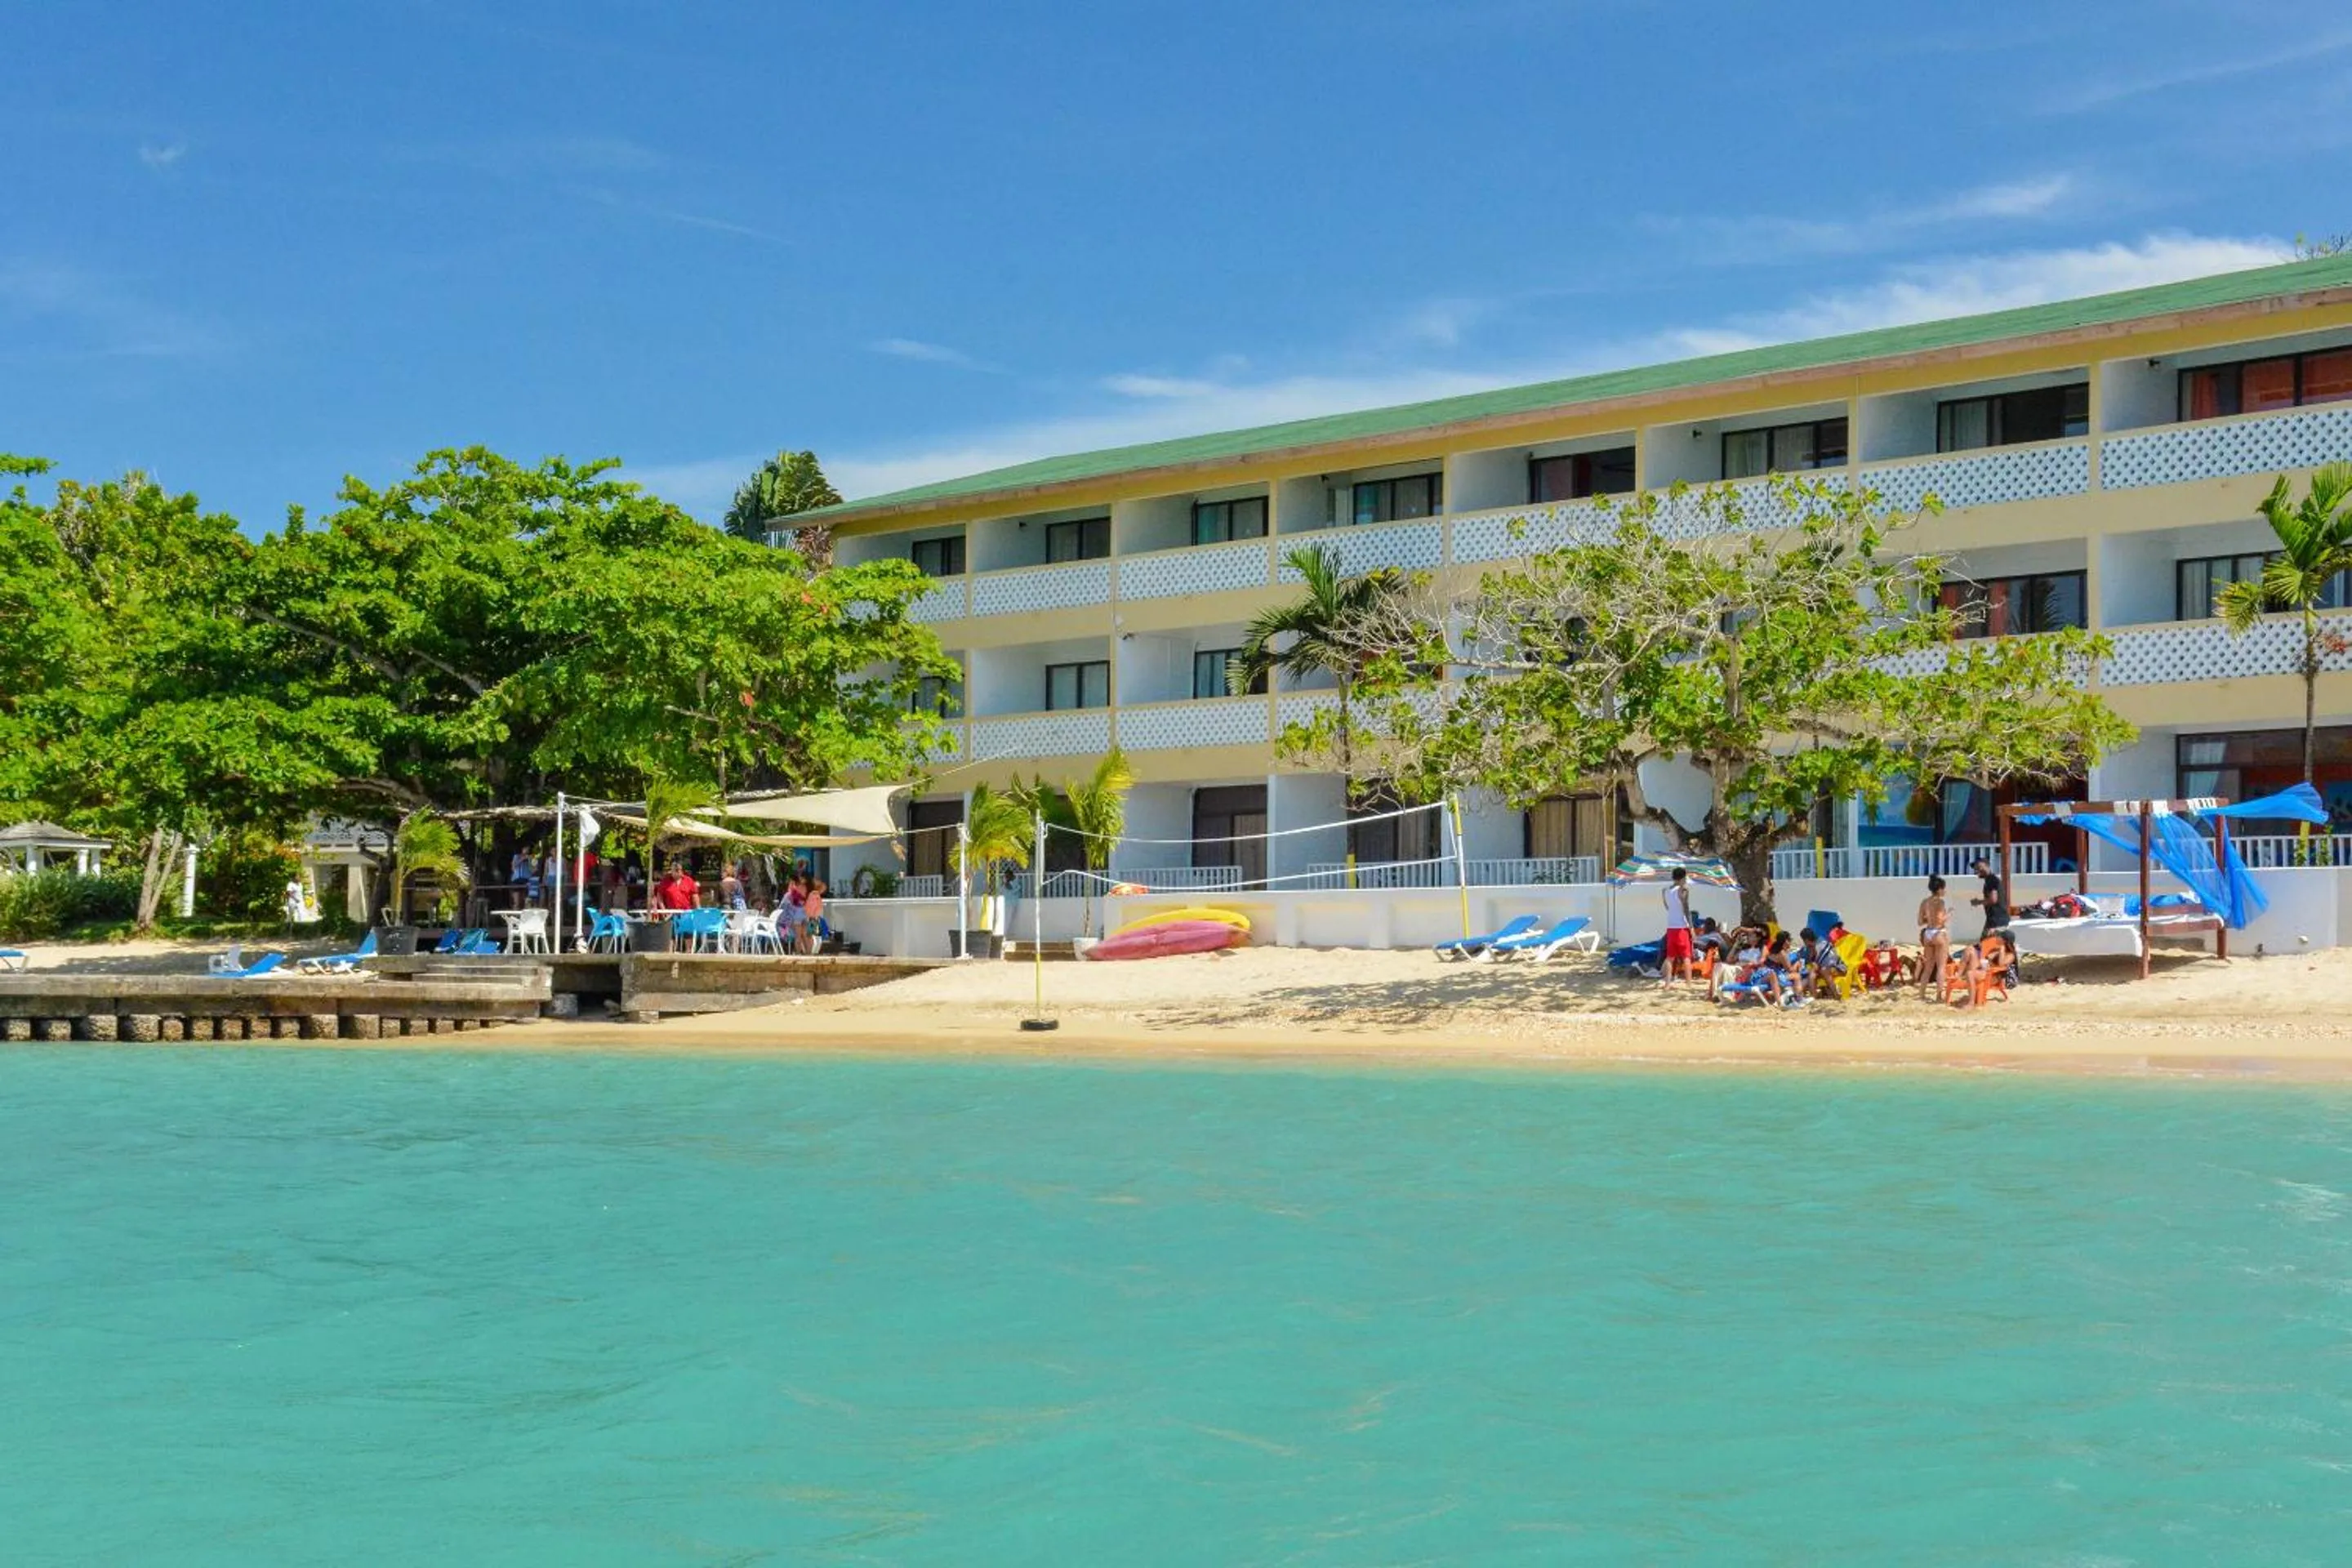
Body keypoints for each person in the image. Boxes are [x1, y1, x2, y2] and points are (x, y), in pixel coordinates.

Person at [1659, 866, 1695, 987]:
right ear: (1683, 877)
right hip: (1681, 927)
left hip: (1670, 927)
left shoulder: (1665, 891)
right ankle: (1689, 984)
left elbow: (1668, 907)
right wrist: (1692, 928)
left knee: (1670, 957)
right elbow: (1686, 909)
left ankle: (1667, 984)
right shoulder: (1683, 890)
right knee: (1686, 956)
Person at [1918, 875, 1952, 998]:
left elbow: (1920, 922)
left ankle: (1921, 994)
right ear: (1939, 889)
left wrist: (1929, 919)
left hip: (1928, 934)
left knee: (1928, 967)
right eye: (1944, 888)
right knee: (1941, 966)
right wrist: (1950, 914)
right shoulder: (1940, 902)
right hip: (1939, 933)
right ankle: (1938, 995)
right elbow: (1941, 920)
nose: (1945, 891)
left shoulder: (1924, 902)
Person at [1969, 857, 2010, 942]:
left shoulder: (1991, 880)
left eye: (1979, 867)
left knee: (1987, 948)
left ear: (1987, 866)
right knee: (1985, 947)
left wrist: (1978, 902)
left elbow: (1993, 900)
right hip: (1993, 921)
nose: (1976, 870)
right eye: (1975, 869)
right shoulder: (1989, 880)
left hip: (1997, 922)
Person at [801, 877, 827, 954]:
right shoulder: (815, 895)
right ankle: (811, 953)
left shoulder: (814, 895)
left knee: (811, 937)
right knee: (813, 937)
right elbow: (813, 908)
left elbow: (810, 908)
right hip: (813, 918)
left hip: (811, 918)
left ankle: (809, 953)